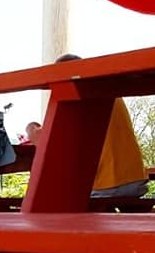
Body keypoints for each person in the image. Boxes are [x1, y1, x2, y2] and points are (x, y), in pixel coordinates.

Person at [30, 53, 148, 198]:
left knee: (53, 197)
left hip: (106, 185)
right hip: (135, 179)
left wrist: (32, 130)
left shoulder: (77, 95)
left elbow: (48, 141)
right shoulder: (110, 92)